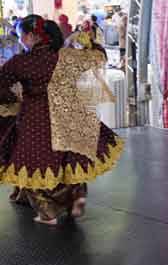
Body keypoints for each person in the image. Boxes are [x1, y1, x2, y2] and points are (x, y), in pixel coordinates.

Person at [0, 16, 123, 224]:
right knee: (71, 159)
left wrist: (14, 98)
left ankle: (47, 212)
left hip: (36, 119)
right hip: (70, 113)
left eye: (21, 36)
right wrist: (88, 42)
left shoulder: (22, 62)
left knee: (31, 164)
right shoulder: (66, 56)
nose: (20, 41)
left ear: (31, 36)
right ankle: (77, 197)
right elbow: (99, 58)